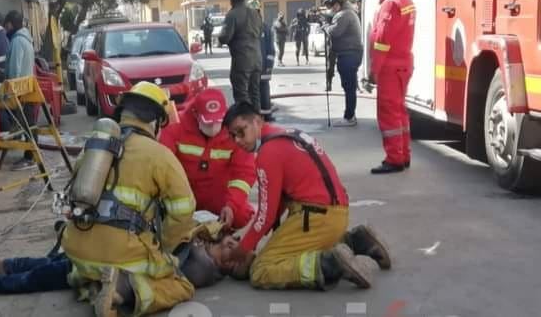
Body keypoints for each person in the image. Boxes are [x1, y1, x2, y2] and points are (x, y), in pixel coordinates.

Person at [222, 102, 392, 291]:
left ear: (257, 121)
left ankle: (330, 263)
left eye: (240, 131)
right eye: (232, 135)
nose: (237, 140)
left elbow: (265, 215)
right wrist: (263, 238)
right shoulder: (286, 135)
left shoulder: (268, 153)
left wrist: (243, 248)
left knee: (262, 269)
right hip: (334, 213)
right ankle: (356, 241)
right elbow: (278, 203)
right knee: (283, 249)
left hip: (316, 217)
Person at [62, 82, 197, 317]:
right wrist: (164, 246)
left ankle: (94, 288)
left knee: (95, 265)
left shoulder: (94, 147)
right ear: (155, 121)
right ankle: (120, 293)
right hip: (121, 254)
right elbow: (184, 210)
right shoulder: (159, 155)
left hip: (77, 251)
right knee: (181, 285)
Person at [0, 220, 236, 294]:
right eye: (232, 241)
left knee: (47, 275)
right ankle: (5, 266)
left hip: (120, 267)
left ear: (226, 265)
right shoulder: (204, 245)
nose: (231, 245)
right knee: (57, 262)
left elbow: (172, 247)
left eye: (232, 252)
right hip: (121, 253)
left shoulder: (202, 266)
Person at [159, 88, 256, 230]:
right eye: (208, 122)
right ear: (195, 114)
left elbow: (244, 174)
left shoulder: (237, 132)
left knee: (243, 217)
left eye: (218, 121)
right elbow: (162, 166)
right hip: (183, 198)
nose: (214, 127)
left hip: (222, 198)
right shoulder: (175, 128)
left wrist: (232, 206)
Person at [369, 0, 416, 174]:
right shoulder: (406, 1)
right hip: (404, 63)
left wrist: (374, 70)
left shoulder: (390, 4)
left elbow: (381, 41)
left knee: (389, 113)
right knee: (400, 112)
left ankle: (394, 158)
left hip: (390, 66)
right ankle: (403, 154)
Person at [322, 0, 364, 127]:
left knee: (349, 87)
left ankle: (349, 117)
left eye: (332, 7)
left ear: (337, 4)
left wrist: (325, 27)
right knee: (349, 86)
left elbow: (335, 31)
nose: (331, 10)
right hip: (350, 53)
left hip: (348, 54)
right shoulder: (348, 12)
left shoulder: (344, 15)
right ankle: (350, 115)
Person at [3, 10, 37, 171]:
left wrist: (10, 91)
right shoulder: (27, 39)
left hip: (19, 90)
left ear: (10, 24)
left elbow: (15, 69)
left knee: (26, 124)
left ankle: (30, 158)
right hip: (27, 87)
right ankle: (31, 156)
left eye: (6, 25)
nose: (5, 28)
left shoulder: (17, 41)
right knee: (30, 124)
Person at [218, 0, 262, 110]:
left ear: (231, 0)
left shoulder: (232, 15)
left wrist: (220, 38)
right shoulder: (255, 13)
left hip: (242, 59)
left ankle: (245, 123)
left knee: (241, 94)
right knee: (255, 93)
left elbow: (224, 38)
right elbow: (260, 31)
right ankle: (257, 122)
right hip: (257, 58)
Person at [250, 0, 275, 121]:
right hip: (256, 66)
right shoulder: (260, 27)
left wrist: (269, 66)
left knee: (260, 91)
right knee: (258, 90)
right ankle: (261, 115)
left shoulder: (263, 27)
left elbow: (270, 49)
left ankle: (264, 115)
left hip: (259, 66)